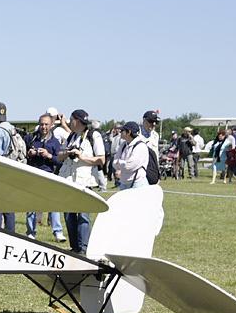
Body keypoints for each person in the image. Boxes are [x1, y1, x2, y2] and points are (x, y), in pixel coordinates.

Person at [58, 109, 105, 254]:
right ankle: (75, 247)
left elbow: (101, 159)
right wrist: (68, 153)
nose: (68, 122)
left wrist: (81, 155)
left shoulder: (93, 136)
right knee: (69, 215)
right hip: (68, 180)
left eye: (71, 120)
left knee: (83, 215)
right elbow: (59, 156)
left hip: (84, 181)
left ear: (75, 120)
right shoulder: (71, 136)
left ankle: (84, 248)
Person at [24, 114, 66, 241]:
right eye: (42, 124)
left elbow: (59, 161)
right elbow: (24, 154)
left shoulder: (55, 142)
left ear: (51, 125)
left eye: (46, 124)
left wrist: (48, 155)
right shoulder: (31, 138)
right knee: (31, 205)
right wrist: (30, 154)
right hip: (34, 175)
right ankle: (31, 232)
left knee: (53, 204)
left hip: (49, 176)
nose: (44, 127)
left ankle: (58, 232)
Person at [112, 122, 150, 189]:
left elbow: (130, 166)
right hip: (123, 183)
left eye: (122, 130)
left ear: (129, 132)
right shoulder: (123, 145)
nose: (120, 132)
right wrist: (121, 163)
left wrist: (119, 162)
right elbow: (114, 163)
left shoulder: (140, 146)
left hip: (137, 183)